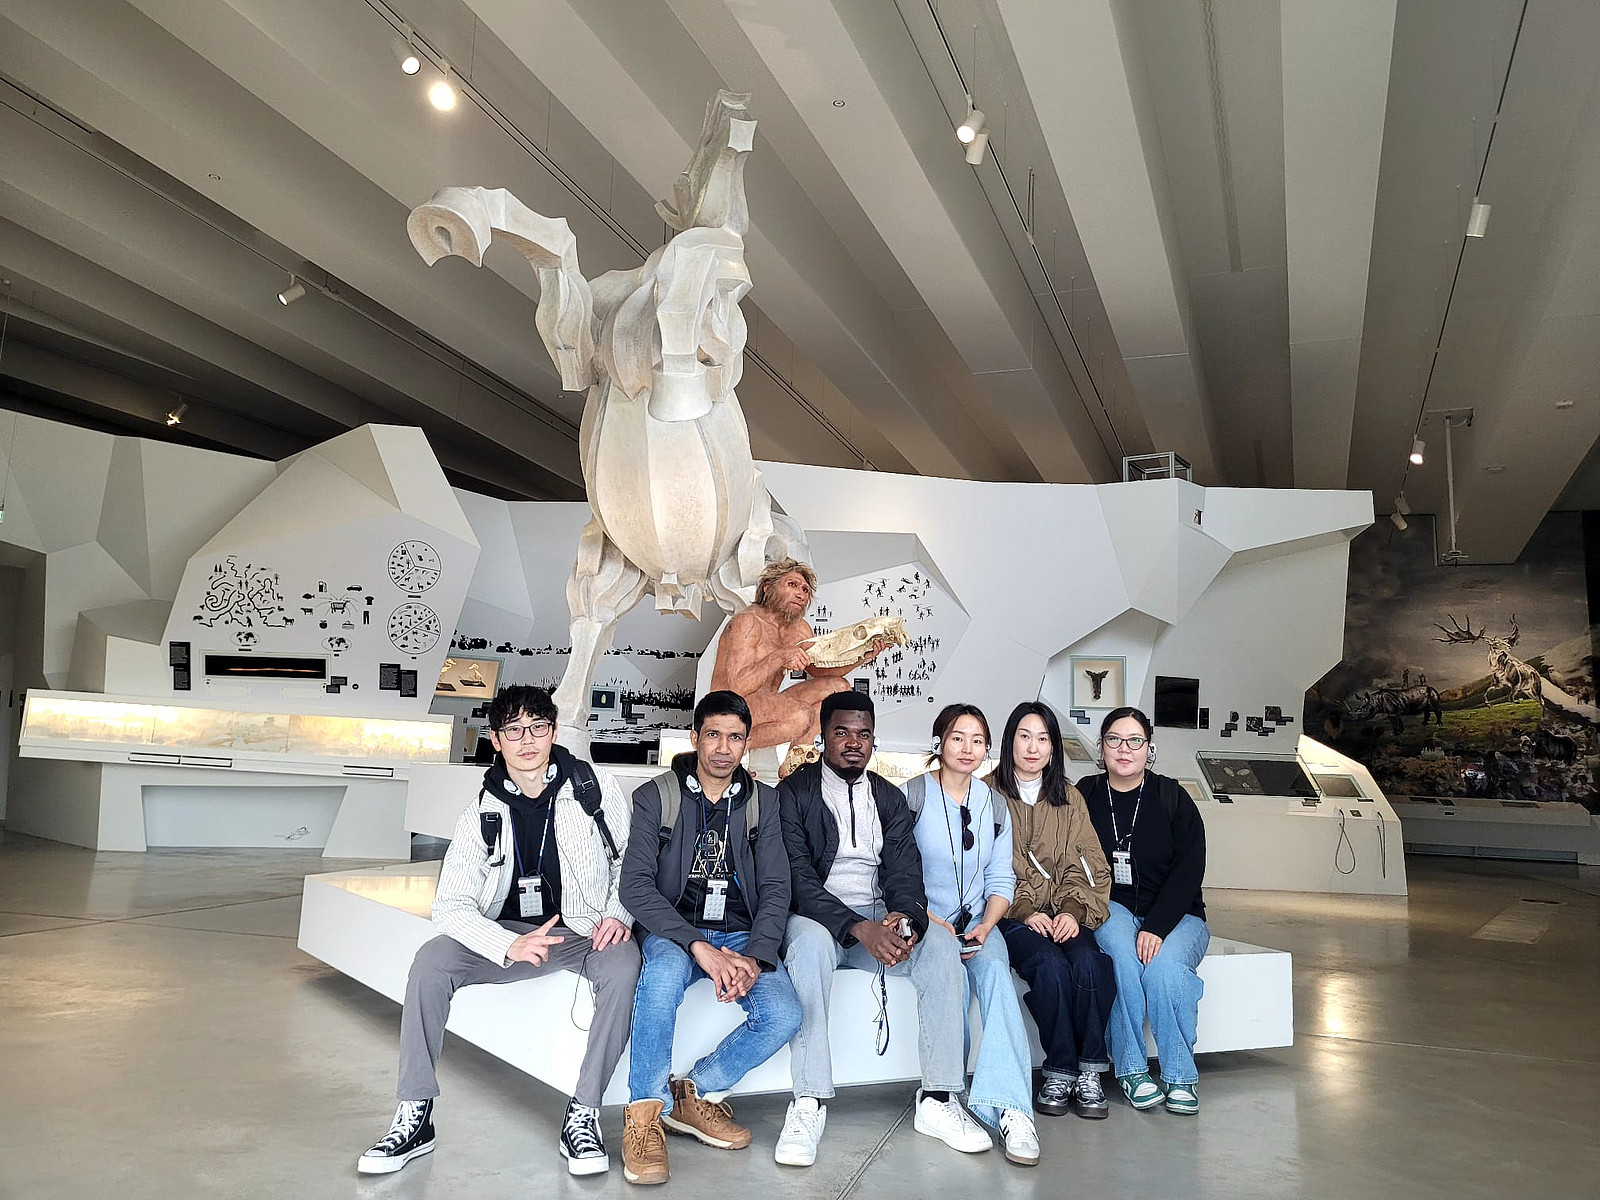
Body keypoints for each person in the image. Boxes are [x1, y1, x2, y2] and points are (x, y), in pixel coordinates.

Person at [357, 685, 640, 1176]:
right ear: (495, 739)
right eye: (514, 730)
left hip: (584, 929)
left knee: (624, 966)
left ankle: (584, 1112)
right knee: (431, 962)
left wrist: (618, 914)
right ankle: (415, 1112)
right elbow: (449, 906)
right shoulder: (481, 811)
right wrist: (508, 943)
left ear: (553, 732)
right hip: (509, 932)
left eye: (538, 728)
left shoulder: (594, 788)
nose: (527, 740)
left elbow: (631, 861)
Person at [776, 691, 991, 1167]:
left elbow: (905, 870)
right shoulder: (794, 793)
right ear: (822, 737)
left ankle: (938, 1098)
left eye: (864, 734)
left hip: (877, 914)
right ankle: (808, 1101)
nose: (853, 743)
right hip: (817, 917)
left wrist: (903, 918)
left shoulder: (889, 797)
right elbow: (797, 880)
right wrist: (859, 928)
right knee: (808, 948)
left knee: (940, 946)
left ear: (874, 740)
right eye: (842, 732)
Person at [618, 690, 802, 1185]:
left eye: (735, 738)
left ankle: (694, 1093)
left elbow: (777, 885)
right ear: (695, 737)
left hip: (740, 933)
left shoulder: (763, 801)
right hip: (674, 931)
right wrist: (697, 946)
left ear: (747, 743)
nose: (723, 748)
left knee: (784, 1013)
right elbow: (635, 886)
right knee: (660, 983)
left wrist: (757, 955)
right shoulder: (656, 796)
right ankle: (644, 1116)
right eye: (714, 735)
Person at [905, 704, 1040, 1167]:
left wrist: (987, 923)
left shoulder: (994, 804)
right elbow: (896, 873)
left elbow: (1002, 878)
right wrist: (929, 919)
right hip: (927, 923)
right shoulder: (912, 795)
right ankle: (947, 1097)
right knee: (954, 983)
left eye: (978, 740)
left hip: (980, 923)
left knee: (998, 977)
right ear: (939, 742)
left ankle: (1011, 1108)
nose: (967, 748)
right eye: (957, 737)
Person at [987, 702, 1116, 1120]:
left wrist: (1072, 911)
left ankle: (1090, 1069)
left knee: (1091, 963)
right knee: (1050, 966)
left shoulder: (1069, 797)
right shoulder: (987, 794)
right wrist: (1025, 910)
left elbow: (1089, 863)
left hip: (1065, 911)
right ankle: (1059, 1070)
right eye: (1024, 737)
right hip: (1010, 915)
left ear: (1053, 747)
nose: (1033, 748)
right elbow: (984, 869)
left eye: (1043, 739)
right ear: (1010, 741)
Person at [1081, 707, 1209, 1115]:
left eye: (1135, 741)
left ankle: (1179, 1075)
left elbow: (1190, 868)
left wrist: (1156, 926)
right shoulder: (1085, 794)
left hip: (1178, 914)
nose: (1124, 749)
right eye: (1114, 740)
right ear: (1101, 747)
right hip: (1112, 905)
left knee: (1164, 970)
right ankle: (1132, 1071)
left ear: (1148, 749)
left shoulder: (1172, 796)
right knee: (1122, 961)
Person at [708, 558, 886, 751]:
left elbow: (820, 670)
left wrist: (862, 655)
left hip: (766, 704)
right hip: (727, 708)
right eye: (792, 585)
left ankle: (798, 761)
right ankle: (731, 747)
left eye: (805, 590)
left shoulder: (800, 630)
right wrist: (780, 657)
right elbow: (738, 688)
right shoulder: (747, 622)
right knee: (800, 716)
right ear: (768, 588)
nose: (801, 594)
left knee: (838, 689)